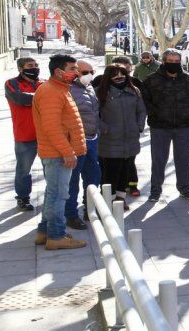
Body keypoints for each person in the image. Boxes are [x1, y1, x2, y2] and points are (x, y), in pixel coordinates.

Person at [32, 54, 87, 250]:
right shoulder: (50, 92)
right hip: (57, 154)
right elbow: (52, 127)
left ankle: (45, 231)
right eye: (72, 69)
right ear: (58, 71)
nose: (76, 73)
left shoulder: (59, 89)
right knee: (58, 195)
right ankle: (56, 235)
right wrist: (67, 152)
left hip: (58, 153)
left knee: (52, 193)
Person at [142, 48, 189, 201]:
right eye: (170, 62)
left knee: (183, 159)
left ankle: (185, 189)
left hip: (183, 127)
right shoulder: (151, 80)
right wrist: (155, 114)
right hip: (160, 127)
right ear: (163, 62)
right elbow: (144, 101)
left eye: (177, 62)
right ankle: (155, 191)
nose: (174, 64)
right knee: (158, 160)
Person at [97, 64, 146, 211]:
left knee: (125, 170)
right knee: (111, 171)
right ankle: (108, 199)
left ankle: (120, 199)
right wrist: (105, 128)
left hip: (130, 139)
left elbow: (141, 111)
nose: (119, 77)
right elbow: (94, 114)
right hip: (110, 140)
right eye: (115, 75)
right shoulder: (100, 92)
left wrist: (139, 126)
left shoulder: (134, 90)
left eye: (122, 74)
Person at [64, 60, 101, 229]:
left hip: (92, 139)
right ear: (76, 73)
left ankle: (90, 208)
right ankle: (71, 214)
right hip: (76, 141)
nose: (90, 74)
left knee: (93, 176)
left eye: (92, 71)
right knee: (72, 180)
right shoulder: (68, 90)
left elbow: (94, 112)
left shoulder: (89, 87)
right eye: (86, 72)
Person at [5, 57, 43, 211]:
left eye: (36, 65)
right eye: (30, 66)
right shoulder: (12, 84)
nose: (34, 68)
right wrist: (43, 98)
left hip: (46, 135)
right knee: (24, 169)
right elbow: (19, 98)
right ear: (21, 68)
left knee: (52, 170)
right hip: (25, 134)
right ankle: (23, 197)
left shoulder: (44, 84)